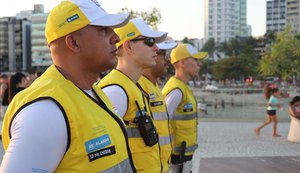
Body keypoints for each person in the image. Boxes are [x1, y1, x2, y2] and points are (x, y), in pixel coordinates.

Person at [0, 0, 136, 172]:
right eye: (103, 30)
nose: (116, 37)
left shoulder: (95, 93)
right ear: (73, 43)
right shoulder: (45, 112)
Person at [98, 18, 167, 172]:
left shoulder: (131, 86)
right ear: (128, 46)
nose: (156, 47)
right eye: (149, 41)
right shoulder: (116, 90)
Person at [162, 43, 208, 173]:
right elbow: (162, 122)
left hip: (182, 154)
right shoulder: (176, 90)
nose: (199, 64)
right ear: (182, 63)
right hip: (177, 157)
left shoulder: (181, 87)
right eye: (195, 60)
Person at [137, 41, 177, 173]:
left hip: (161, 166)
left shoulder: (153, 86)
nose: (168, 60)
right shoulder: (138, 86)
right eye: (163, 54)